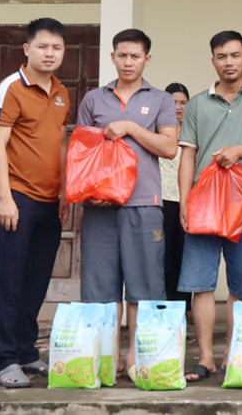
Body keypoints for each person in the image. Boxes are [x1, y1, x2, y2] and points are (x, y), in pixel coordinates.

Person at [177, 31, 242, 382]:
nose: (229, 62)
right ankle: (206, 358)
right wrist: (185, 200)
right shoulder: (196, 103)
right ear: (213, 61)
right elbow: (188, 153)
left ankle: (236, 355)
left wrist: (241, 150)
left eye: (235, 55)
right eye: (222, 56)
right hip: (204, 205)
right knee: (201, 284)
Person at [77, 28, 177, 380]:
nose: (129, 61)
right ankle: (107, 359)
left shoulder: (162, 99)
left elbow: (168, 147)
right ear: (113, 57)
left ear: (147, 59)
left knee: (143, 285)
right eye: (122, 55)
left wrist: (130, 128)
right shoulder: (93, 99)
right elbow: (81, 149)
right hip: (99, 205)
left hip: (143, 204)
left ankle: (135, 358)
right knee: (100, 288)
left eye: (136, 56)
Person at [0, 18, 71, 388]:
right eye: (43, 46)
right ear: (27, 49)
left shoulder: (62, 92)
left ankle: (25, 351)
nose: (49, 53)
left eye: (56, 47)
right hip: (16, 197)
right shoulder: (9, 89)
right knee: (10, 279)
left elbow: (60, 145)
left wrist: (65, 192)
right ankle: (5, 359)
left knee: (36, 280)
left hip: (49, 200)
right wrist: (5, 198)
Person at [159, 82, 191, 312]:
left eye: (182, 102)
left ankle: (181, 310)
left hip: (186, 201)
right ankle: (161, 310)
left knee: (183, 257)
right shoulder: (157, 130)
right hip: (161, 200)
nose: (177, 107)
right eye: (172, 102)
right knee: (162, 257)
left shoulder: (192, 131)